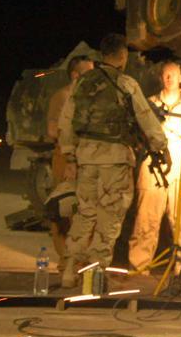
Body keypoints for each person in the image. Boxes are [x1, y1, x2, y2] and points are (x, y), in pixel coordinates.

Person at [59, 34, 169, 288]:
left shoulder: (83, 83)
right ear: (122, 56)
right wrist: (161, 147)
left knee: (84, 214)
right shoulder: (126, 83)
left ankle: (68, 270)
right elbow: (146, 119)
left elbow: (67, 121)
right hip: (115, 161)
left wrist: (70, 155)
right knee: (109, 218)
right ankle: (93, 277)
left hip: (86, 158)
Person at [127, 61, 181, 273]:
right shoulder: (149, 102)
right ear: (161, 78)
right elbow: (143, 132)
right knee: (146, 219)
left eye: (173, 74)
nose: (169, 78)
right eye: (165, 75)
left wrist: (163, 123)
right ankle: (138, 267)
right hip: (154, 165)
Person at [46, 55, 94, 266]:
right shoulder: (63, 96)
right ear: (75, 75)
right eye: (87, 72)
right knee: (64, 211)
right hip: (66, 158)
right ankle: (65, 260)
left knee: (85, 211)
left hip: (85, 159)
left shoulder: (90, 98)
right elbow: (52, 130)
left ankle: (80, 260)